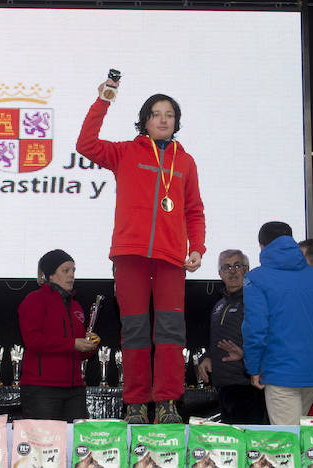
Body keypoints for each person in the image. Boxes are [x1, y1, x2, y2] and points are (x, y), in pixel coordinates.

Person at [76, 77, 206, 424]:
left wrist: (198, 248)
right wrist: (103, 101)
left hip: (171, 259)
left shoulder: (186, 162)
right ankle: (135, 403)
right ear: (144, 121)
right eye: (155, 114)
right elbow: (86, 144)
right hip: (130, 255)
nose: (163, 120)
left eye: (169, 115)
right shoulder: (125, 152)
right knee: (134, 330)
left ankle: (166, 402)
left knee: (170, 333)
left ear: (176, 122)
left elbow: (193, 210)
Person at [240, 222, 313, 425]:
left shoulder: (256, 278)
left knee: (286, 446)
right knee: (298, 438)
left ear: (262, 246)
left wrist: (253, 368)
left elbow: (255, 328)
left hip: (280, 372)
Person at [18, 250, 99, 421]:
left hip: (75, 389)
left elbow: (79, 352)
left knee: (77, 445)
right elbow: (32, 340)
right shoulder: (34, 300)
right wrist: (72, 344)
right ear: (51, 275)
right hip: (42, 389)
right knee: (43, 444)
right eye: (65, 270)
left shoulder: (76, 306)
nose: (71, 275)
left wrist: (89, 346)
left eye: (73, 270)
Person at [196, 250, 266, 424]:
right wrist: (208, 357)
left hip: (249, 386)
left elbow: (268, 339)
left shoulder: (256, 300)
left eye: (237, 265)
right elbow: (217, 340)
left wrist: (245, 356)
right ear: (219, 274)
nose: (232, 271)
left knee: (250, 445)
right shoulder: (219, 305)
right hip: (224, 388)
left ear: (247, 270)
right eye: (226, 267)